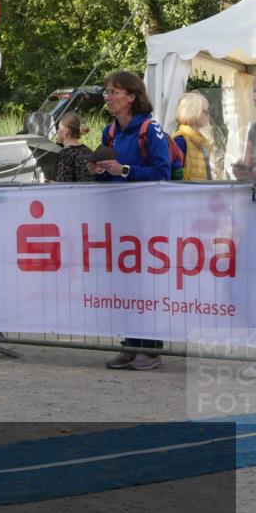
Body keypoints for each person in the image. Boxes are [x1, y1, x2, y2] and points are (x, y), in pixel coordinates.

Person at [89, 71, 171, 371]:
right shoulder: (108, 132)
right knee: (123, 283)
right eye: (107, 92)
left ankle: (150, 349)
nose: (108, 97)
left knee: (145, 284)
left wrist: (123, 171)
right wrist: (99, 173)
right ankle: (130, 344)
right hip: (118, 219)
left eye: (114, 92)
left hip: (147, 220)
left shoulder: (151, 129)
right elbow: (108, 175)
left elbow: (161, 172)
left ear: (132, 96)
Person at [172, 92, 213, 181]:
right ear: (194, 112)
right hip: (185, 193)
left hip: (200, 192)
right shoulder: (180, 140)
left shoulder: (202, 142)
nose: (208, 114)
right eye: (205, 111)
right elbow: (175, 176)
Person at [52, 113, 94, 183]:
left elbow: (62, 184)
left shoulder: (65, 154)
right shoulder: (88, 151)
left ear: (66, 131)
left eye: (59, 128)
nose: (57, 131)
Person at [231, 83, 256, 180]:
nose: (254, 97)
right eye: (254, 91)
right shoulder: (254, 129)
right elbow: (248, 168)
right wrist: (239, 171)